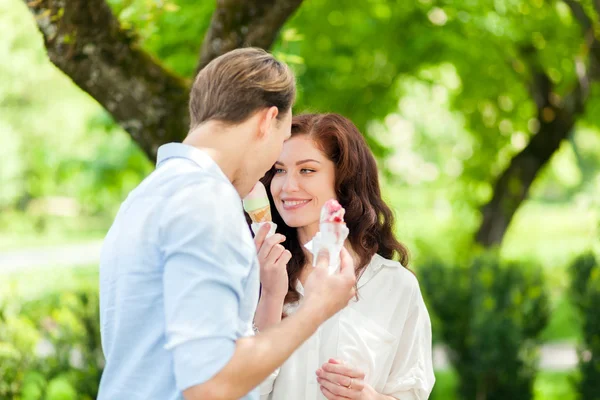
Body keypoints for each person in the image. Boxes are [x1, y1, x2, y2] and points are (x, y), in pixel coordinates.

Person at [97, 49, 357, 400]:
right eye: (279, 145)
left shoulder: (145, 196)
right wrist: (318, 307)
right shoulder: (207, 201)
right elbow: (210, 384)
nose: (268, 171)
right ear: (268, 120)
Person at [253, 113, 435, 400]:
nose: (287, 186)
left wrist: (368, 397)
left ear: (345, 179)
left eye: (307, 170)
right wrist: (271, 298)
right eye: (279, 170)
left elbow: (412, 393)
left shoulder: (395, 286)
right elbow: (241, 390)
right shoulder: (256, 274)